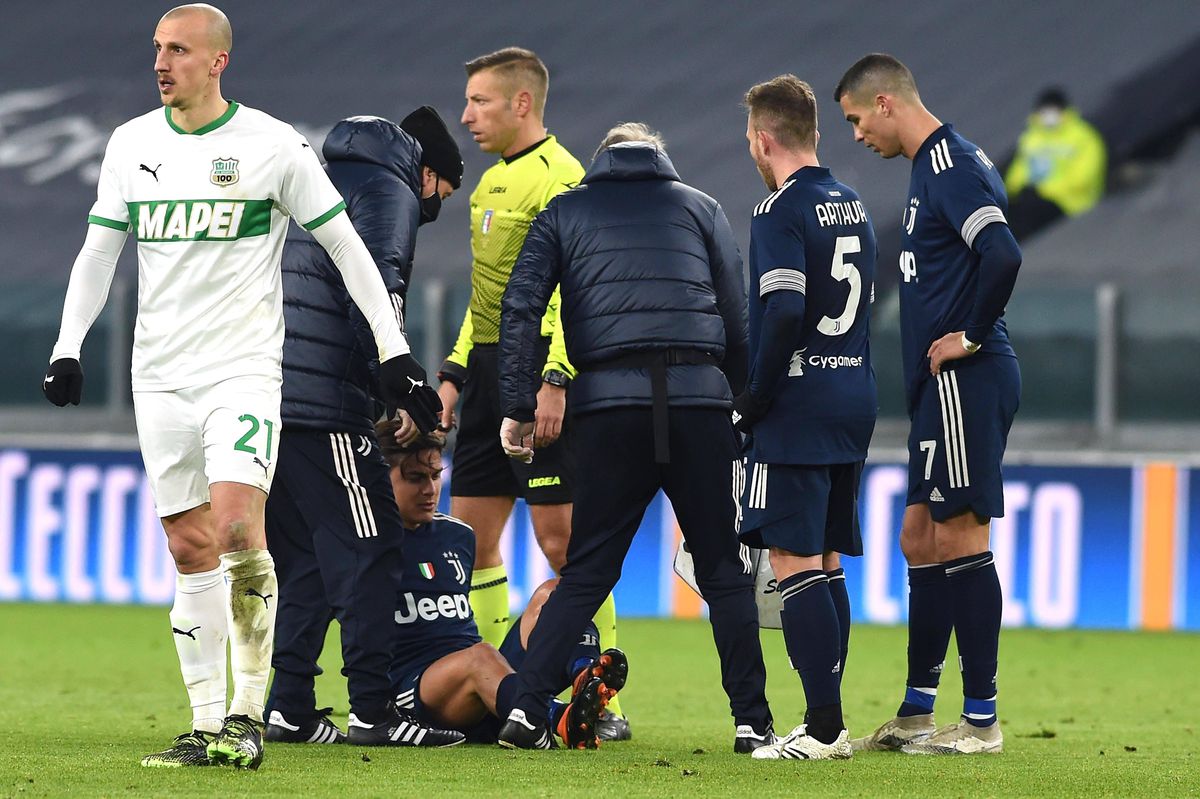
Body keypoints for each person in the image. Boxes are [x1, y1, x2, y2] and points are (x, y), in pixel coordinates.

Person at [40, 4, 440, 769]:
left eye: (179, 50)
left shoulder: (271, 145)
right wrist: (67, 347)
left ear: (218, 61)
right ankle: (204, 720)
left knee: (234, 527)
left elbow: (346, 244)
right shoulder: (131, 144)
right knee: (188, 545)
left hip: (243, 371)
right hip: (159, 375)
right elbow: (97, 254)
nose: (161, 63)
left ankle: (247, 718)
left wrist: (393, 348)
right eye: (157, 48)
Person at [495, 123, 773, 752]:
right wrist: (746, 406)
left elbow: (520, 306)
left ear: (600, 163)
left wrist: (516, 404)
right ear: (660, 156)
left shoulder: (565, 212)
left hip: (609, 407)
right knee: (724, 572)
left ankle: (527, 709)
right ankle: (752, 724)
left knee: (589, 569)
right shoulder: (701, 207)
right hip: (699, 404)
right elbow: (737, 320)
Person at [435, 46, 629, 734]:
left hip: (544, 370)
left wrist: (556, 377)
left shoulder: (564, 178)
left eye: (480, 101)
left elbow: (578, 294)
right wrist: (455, 377)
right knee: (469, 536)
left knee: (563, 541)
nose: (467, 115)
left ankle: (600, 695)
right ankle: (492, 680)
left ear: (522, 103)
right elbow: (485, 300)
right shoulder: (489, 185)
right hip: (489, 372)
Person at [835, 53, 1022, 755]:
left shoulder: (951, 167)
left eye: (856, 119)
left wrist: (970, 336)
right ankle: (917, 709)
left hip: (967, 379)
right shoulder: (929, 168)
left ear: (885, 102)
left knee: (961, 534)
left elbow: (1003, 253)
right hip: (937, 388)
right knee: (919, 534)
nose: (855, 134)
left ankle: (980, 720)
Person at [261, 108, 466, 749]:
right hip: (327, 407)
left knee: (306, 566)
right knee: (374, 551)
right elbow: (370, 293)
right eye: (443, 193)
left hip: (271, 397)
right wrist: (398, 388)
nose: (435, 206)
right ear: (427, 172)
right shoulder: (390, 192)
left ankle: (288, 708)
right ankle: (375, 713)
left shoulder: (317, 178)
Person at [733, 76, 878, 761]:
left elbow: (785, 309)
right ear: (813, 130)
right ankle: (829, 719)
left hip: (796, 402)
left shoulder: (777, 211)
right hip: (852, 394)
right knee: (825, 560)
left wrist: (753, 399)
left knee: (792, 560)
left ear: (764, 139)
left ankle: (823, 728)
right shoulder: (853, 204)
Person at [378, 424, 627, 747]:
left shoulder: (458, 535)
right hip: (416, 692)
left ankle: (584, 678)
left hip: (482, 680)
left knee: (554, 594)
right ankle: (557, 718)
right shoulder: (367, 546)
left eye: (435, 475)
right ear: (381, 478)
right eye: (415, 478)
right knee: (480, 655)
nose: (430, 489)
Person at [1004, 86, 1106, 240]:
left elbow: (1083, 178)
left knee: (1027, 219)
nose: (1048, 116)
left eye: (1053, 110)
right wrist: (1020, 189)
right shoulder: (1032, 137)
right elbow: (1018, 172)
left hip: (1070, 203)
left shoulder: (1083, 137)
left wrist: (1043, 191)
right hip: (1034, 199)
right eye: (1044, 111)